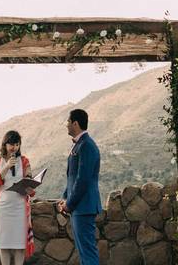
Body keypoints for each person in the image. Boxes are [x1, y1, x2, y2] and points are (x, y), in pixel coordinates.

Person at [57, 108, 102, 265]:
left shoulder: (87, 146)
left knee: (88, 252)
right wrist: (64, 199)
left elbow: (83, 180)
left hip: (84, 207)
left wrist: (69, 204)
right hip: (79, 207)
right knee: (84, 252)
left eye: (68, 122)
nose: (66, 125)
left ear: (75, 123)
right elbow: (72, 178)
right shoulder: (80, 145)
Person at [0, 130, 36, 265]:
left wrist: (29, 188)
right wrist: (7, 167)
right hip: (3, 208)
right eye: (11, 144)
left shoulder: (25, 161)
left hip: (20, 207)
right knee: (4, 244)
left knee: (19, 245)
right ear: (5, 145)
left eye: (17, 144)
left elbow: (29, 179)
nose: (14, 148)